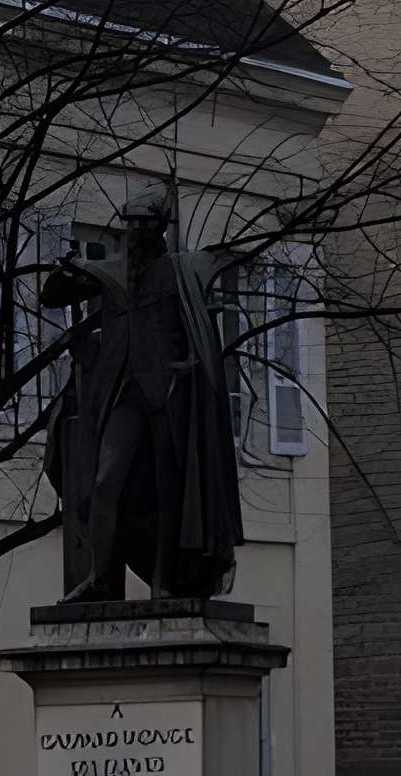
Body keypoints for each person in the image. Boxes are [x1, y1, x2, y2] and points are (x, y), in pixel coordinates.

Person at [41, 179, 244, 601]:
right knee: (104, 482)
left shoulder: (183, 270)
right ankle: (99, 577)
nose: (133, 232)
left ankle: (163, 582)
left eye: (142, 225)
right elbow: (54, 297)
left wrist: (188, 365)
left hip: (170, 396)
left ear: (158, 229)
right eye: (129, 224)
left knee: (173, 491)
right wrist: (65, 273)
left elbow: (200, 335)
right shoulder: (113, 270)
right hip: (123, 393)